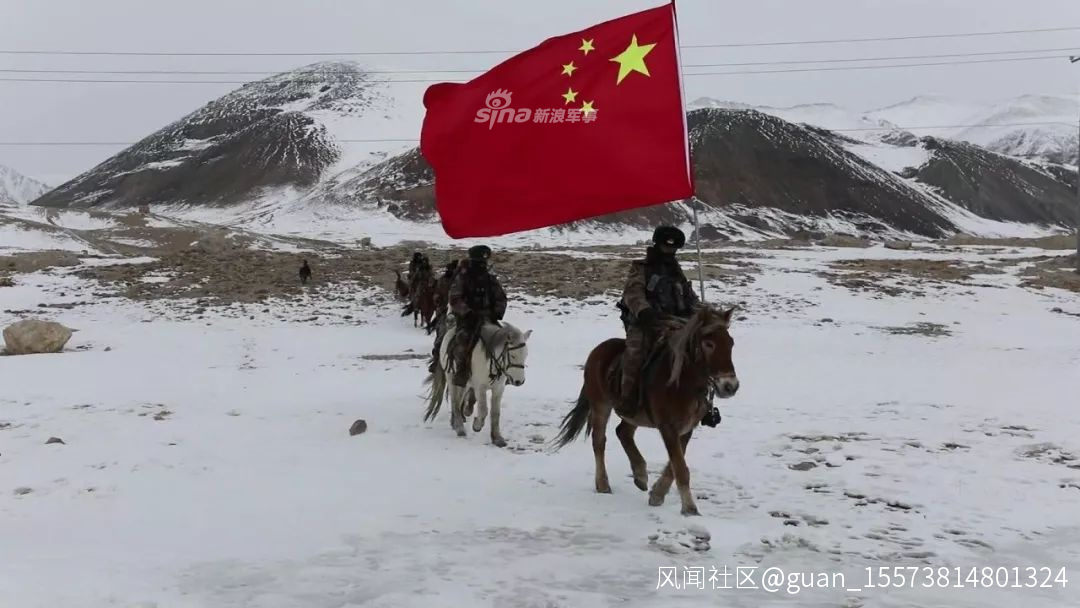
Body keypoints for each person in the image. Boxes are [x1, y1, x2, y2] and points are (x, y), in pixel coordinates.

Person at [616, 225, 700, 418]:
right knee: (635, 353)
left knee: (701, 351)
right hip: (646, 323)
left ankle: (703, 401)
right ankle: (628, 397)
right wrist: (644, 312)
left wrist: (704, 312)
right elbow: (633, 293)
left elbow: (689, 297)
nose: (669, 251)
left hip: (677, 323)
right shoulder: (641, 268)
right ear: (657, 244)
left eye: (673, 248)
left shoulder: (676, 272)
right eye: (666, 247)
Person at [445, 245, 507, 387]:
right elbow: (455, 298)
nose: (482, 265)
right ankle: (461, 371)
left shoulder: (490, 279)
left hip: (489, 318)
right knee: (463, 341)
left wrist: (496, 312)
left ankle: (505, 372)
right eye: (479, 262)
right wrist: (467, 312)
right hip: (468, 320)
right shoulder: (462, 278)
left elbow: (501, 298)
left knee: (505, 341)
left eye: (484, 263)